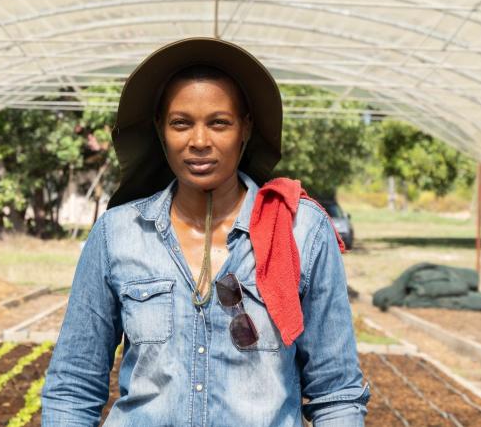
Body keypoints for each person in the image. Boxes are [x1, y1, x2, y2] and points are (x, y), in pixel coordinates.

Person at [42, 37, 369, 427]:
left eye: (219, 123)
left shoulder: (300, 231)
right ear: (161, 131)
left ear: (245, 128)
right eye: (181, 123)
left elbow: (336, 392)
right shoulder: (118, 234)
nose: (199, 142)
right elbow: (73, 385)